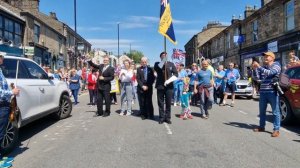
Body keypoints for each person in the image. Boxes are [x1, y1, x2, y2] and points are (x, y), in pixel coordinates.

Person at [253, 51, 281, 137]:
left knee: (275, 112)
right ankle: (262, 127)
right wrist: (255, 69)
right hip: (263, 92)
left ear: (272, 58)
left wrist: (259, 67)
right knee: (262, 111)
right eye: (264, 56)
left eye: (267, 56)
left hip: (272, 92)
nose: (265, 57)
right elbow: (258, 78)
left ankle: (276, 130)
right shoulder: (264, 67)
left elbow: (270, 73)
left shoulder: (276, 65)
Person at [0, 54, 20, 167]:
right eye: (1, 57)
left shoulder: (0, 71)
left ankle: (1, 156)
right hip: (1, 104)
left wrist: (12, 90)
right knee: (1, 132)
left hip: (4, 103)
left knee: (2, 131)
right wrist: (12, 92)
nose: (2, 58)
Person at [154, 52, 178, 124]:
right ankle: (161, 117)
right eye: (163, 56)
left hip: (169, 86)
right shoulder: (157, 63)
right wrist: (163, 62)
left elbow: (176, 74)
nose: (164, 57)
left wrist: (169, 80)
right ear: (160, 57)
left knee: (168, 103)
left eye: (166, 56)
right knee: (160, 103)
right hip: (160, 86)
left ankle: (167, 117)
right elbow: (158, 68)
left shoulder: (171, 64)